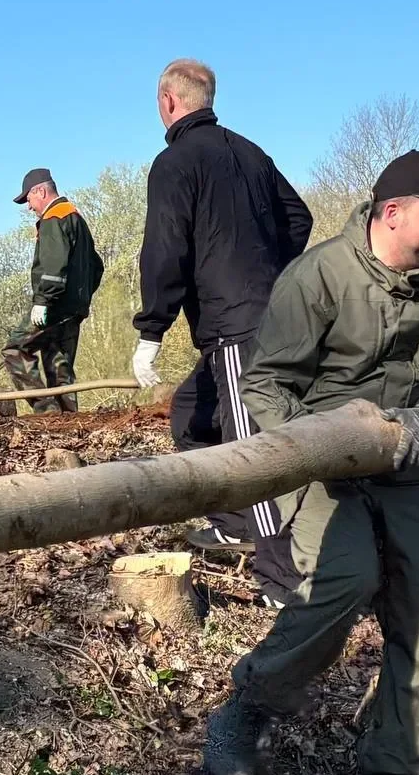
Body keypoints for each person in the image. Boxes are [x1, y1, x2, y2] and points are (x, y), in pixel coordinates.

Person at [206, 150, 419, 775]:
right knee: (345, 577)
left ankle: (392, 774)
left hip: (404, 461)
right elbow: (265, 384)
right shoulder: (317, 277)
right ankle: (247, 709)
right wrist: (310, 447)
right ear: (391, 213)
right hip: (322, 464)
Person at [130, 58, 312, 608]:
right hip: (264, 317)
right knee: (191, 414)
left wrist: (151, 331)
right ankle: (234, 523)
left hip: (237, 327)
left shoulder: (174, 162)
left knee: (254, 449)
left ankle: (283, 581)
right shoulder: (251, 152)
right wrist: (271, 270)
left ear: (168, 101)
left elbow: (164, 250)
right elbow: (298, 218)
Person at [1, 168, 103, 414]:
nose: (29, 207)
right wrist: (81, 299)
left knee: (14, 349)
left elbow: (54, 264)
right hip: (74, 309)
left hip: (54, 306)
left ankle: (47, 412)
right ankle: (68, 421)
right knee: (60, 366)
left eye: (28, 199)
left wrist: (43, 300)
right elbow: (97, 266)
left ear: (41, 191)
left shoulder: (54, 217)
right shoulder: (76, 218)